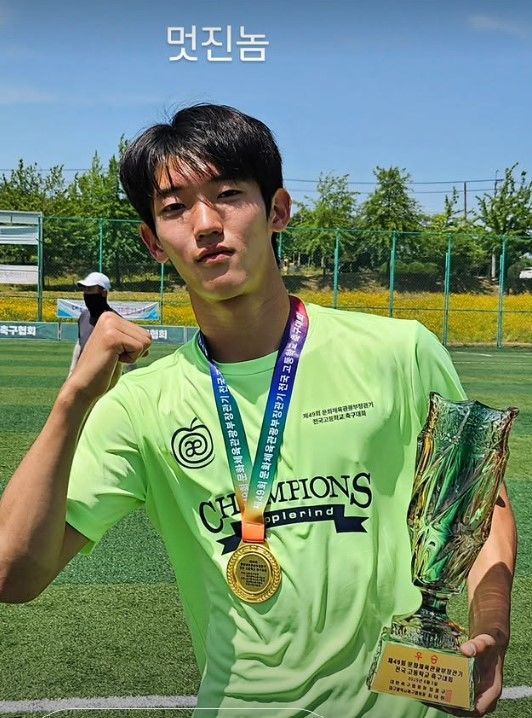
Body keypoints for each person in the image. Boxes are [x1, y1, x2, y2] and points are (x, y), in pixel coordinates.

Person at [0, 104, 516, 718]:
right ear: (153, 242)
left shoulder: (397, 353)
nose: (206, 224)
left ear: (277, 210)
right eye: (175, 207)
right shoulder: (141, 403)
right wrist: (72, 402)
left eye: (229, 195)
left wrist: (492, 623)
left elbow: (480, 504)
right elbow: (14, 575)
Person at [68, 271, 114, 375]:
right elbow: (80, 342)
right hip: (82, 375)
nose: (86, 293)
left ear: (103, 293)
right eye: (84, 289)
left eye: (90, 289)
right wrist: (72, 371)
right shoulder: (84, 316)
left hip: (104, 377)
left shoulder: (114, 320)